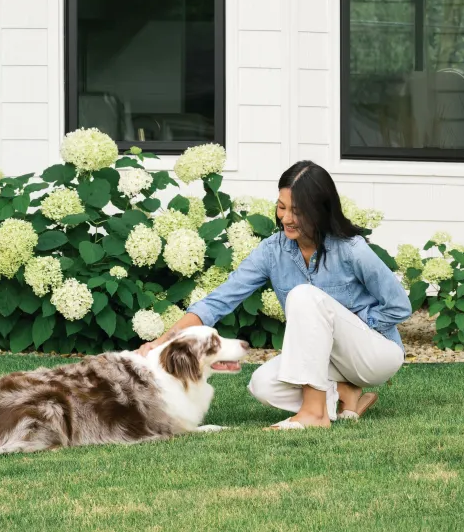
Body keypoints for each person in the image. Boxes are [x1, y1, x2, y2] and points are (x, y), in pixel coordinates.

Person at [137, 160, 411, 430]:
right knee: (263, 385)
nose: (287, 218)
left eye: (298, 211)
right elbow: (217, 302)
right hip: (330, 360)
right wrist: (160, 342)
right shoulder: (272, 251)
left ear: (320, 211)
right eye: (282, 207)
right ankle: (345, 394)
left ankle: (314, 414)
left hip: (375, 355)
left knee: (304, 295)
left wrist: (357, 323)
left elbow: (399, 306)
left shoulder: (352, 249)